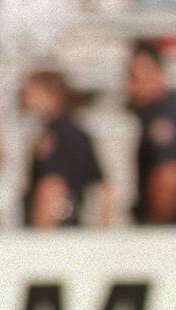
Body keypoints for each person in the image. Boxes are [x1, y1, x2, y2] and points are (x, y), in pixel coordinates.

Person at [21, 69, 112, 228]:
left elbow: (51, 188)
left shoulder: (53, 135)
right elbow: (104, 189)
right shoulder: (79, 132)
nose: (26, 96)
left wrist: (41, 240)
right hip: (75, 228)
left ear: (51, 94)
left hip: (56, 230)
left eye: (33, 91)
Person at [127, 41, 176, 224]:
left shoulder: (162, 117)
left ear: (160, 74)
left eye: (137, 78)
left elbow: (170, 175)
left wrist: (156, 227)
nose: (131, 87)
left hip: (167, 235)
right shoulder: (149, 115)